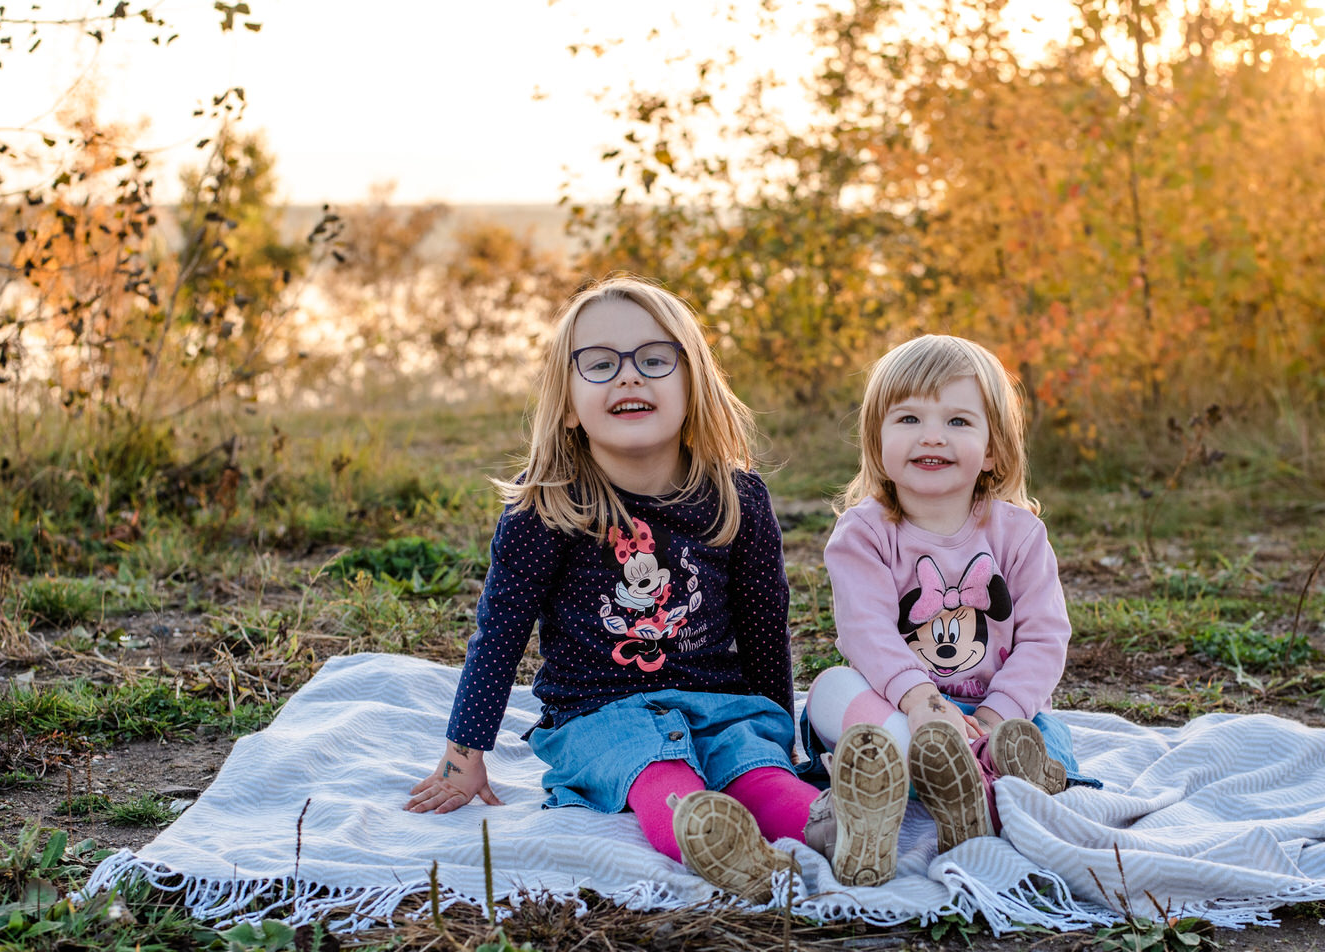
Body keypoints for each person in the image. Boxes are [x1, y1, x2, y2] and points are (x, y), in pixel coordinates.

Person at [404, 275, 906, 902]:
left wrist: (778, 727)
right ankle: (722, 849)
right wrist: (464, 753)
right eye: (599, 363)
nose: (628, 377)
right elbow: (499, 634)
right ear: (566, 402)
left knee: (756, 772)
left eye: (654, 358)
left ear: (692, 385)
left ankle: (842, 832)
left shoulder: (736, 498)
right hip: (599, 716)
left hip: (720, 703)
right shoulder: (549, 509)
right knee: (658, 776)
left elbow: (762, 622)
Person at [808, 334, 1097, 854]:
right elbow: (866, 631)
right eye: (909, 419)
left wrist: (997, 714)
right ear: (877, 442)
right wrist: (922, 703)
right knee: (829, 691)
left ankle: (993, 782)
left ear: (992, 450)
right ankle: (930, 778)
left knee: (1041, 740)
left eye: (957, 421)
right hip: (901, 708)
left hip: (1000, 710)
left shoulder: (1019, 536)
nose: (932, 437)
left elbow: (1045, 639)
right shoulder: (864, 534)